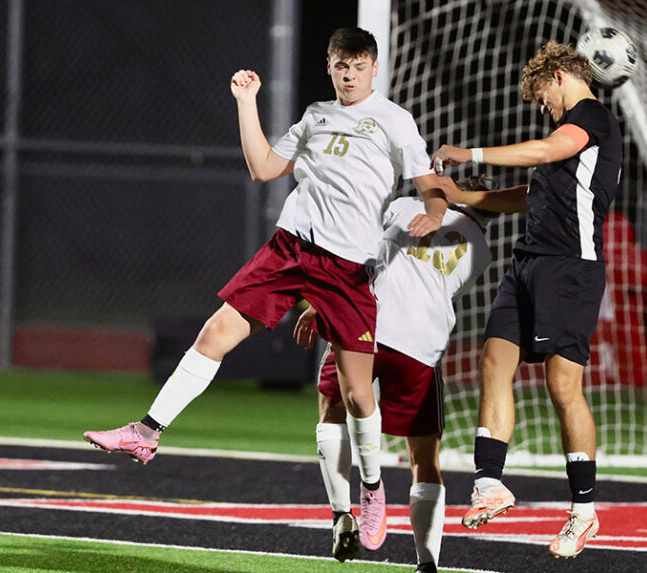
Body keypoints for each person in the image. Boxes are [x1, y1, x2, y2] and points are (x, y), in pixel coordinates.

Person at [83, 27, 447, 552]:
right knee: (215, 333)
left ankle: (371, 491)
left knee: (358, 394)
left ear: (373, 68)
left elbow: (425, 180)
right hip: (290, 250)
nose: (349, 73)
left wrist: (434, 212)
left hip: (347, 269)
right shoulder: (316, 115)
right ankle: (146, 432)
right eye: (340, 64)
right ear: (329, 67)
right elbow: (263, 168)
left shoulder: (394, 120)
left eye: (358, 65)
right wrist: (247, 102)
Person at [431, 40, 622, 559]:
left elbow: (544, 150)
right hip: (527, 263)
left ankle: (583, 513)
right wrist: (460, 195)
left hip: (570, 268)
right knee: (494, 360)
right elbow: (528, 193)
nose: (542, 106)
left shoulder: (592, 119)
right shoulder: (563, 132)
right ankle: (490, 483)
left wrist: (469, 154)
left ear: (558, 76)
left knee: (562, 385)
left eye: (541, 96)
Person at [294, 176, 495, 572]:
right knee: (425, 457)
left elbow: (362, 255)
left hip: (368, 326)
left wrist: (322, 303)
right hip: (422, 344)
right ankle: (428, 562)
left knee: (331, 410)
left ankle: (343, 512)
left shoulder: (405, 207)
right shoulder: (482, 251)